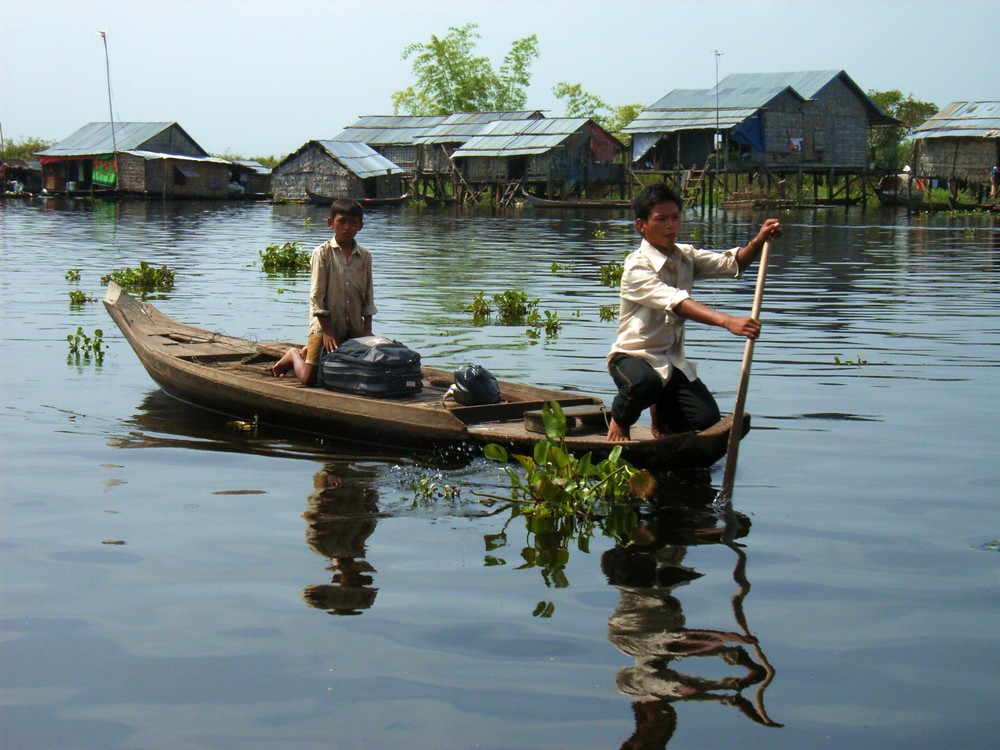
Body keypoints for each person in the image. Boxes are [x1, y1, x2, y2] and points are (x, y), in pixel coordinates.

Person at [606, 183, 782, 442]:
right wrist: (727, 321)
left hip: (671, 361)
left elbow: (733, 263)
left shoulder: (685, 256)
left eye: (675, 218)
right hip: (634, 357)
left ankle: (663, 417)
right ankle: (619, 421)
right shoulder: (636, 267)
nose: (670, 225)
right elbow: (677, 301)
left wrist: (758, 241)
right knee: (645, 384)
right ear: (641, 225)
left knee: (706, 420)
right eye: (661, 219)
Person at [272, 198, 376, 384]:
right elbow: (317, 298)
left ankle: (307, 352)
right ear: (331, 224)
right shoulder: (322, 253)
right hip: (325, 327)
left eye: (353, 222)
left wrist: (367, 331)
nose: (347, 227)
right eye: (341, 221)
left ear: (360, 226)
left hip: (353, 327)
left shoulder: (365, 256)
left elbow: (368, 298)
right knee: (308, 379)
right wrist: (327, 331)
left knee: (360, 375)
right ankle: (294, 355)